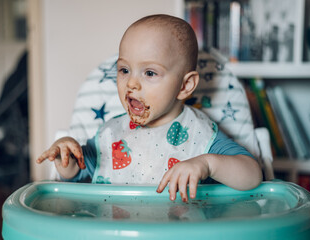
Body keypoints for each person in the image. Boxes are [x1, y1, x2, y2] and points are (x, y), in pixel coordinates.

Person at [37, 14, 262, 202]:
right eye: (124, 70)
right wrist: (65, 158)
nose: (131, 83)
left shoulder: (198, 133)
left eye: (150, 73)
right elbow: (76, 176)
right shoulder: (111, 134)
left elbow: (252, 175)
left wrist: (207, 164)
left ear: (185, 86)